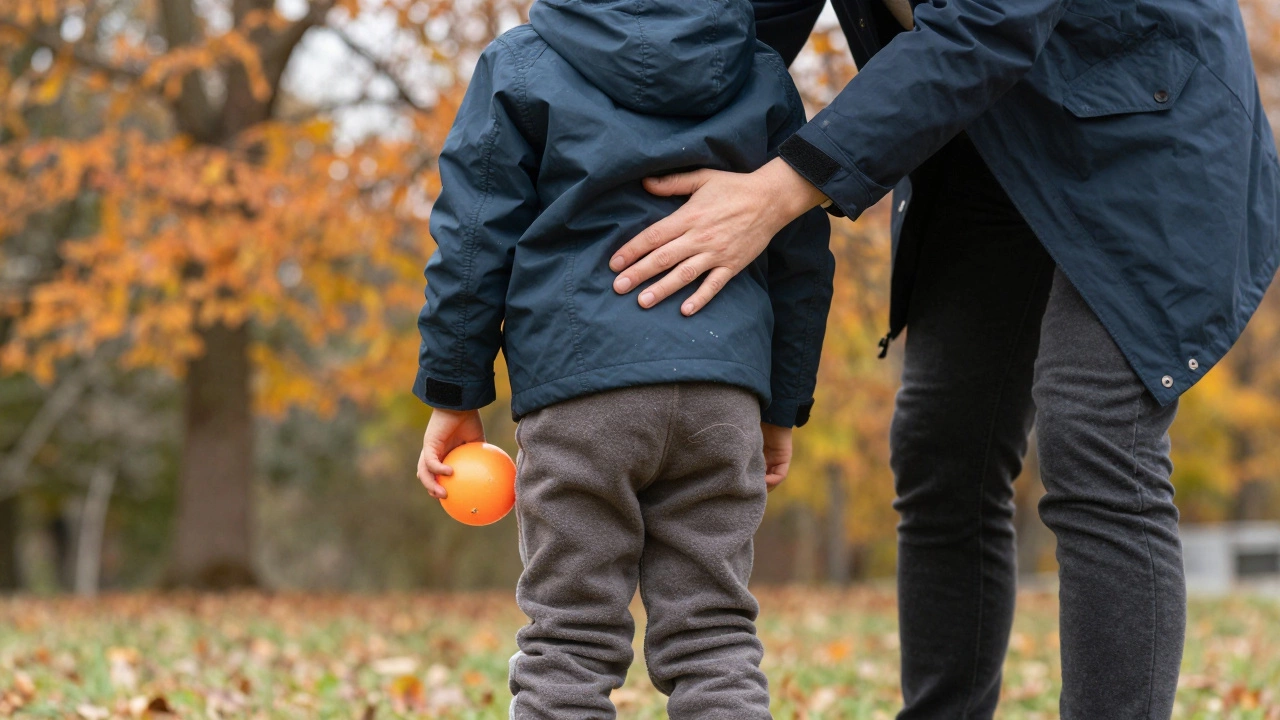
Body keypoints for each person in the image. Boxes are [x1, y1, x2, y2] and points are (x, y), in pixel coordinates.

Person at [605, 0, 1280, 718]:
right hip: (986, 140)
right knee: (942, 451)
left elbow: (991, 19)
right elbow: (739, 33)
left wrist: (779, 190)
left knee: (1094, 434)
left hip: (1148, 121)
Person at [411, 1, 834, 717]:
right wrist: (781, 405)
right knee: (714, 637)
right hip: (719, 389)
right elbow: (800, 259)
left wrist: (455, 393)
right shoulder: (759, 71)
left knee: (569, 638)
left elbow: (473, 241)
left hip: (580, 394)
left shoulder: (521, 64)